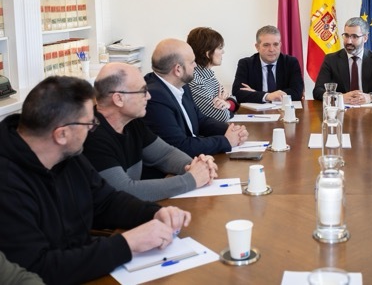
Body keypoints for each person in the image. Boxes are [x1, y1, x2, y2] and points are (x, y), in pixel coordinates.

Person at [0, 76, 191, 284]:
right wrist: (127, 244)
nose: (92, 130)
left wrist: (153, 212)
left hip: (88, 267)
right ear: (61, 134)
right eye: (89, 124)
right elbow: (39, 267)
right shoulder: (8, 183)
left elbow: (106, 201)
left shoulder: (67, 154)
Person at [84, 63, 219, 202]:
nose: (148, 96)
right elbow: (123, 190)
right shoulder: (92, 135)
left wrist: (196, 165)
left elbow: (165, 154)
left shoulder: (132, 122)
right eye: (143, 91)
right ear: (119, 99)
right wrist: (191, 179)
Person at [143, 39, 249, 157]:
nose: (195, 65)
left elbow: (200, 120)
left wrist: (230, 130)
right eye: (192, 62)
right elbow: (180, 146)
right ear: (178, 69)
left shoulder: (182, 85)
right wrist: (226, 141)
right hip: (176, 165)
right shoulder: (155, 97)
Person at [312, 17, 372, 104]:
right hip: (342, 108)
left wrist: (371, 97)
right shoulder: (331, 59)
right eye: (346, 35)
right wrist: (339, 97)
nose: (349, 41)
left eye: (354, 36)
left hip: (369, 108)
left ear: (365, 38)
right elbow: (317, 91)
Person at [232, 25, 304, 103]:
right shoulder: (246, 64)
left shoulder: (291, 62)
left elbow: (297, 92)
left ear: (280, 45)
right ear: (257, 47)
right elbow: (237, 93)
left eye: (275, 44)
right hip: (255, 110)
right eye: (266, 45)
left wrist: (257, 94)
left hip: (283, 109)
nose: (271, 49)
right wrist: (267, 96)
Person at [187, 26, 239, 121]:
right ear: (208, 53)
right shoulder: (195, 80)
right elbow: (222, 116)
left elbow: (234, 100)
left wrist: (227, 104)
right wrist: (227, 105)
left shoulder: (208, 75)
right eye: (220, 48)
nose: (223, 52)